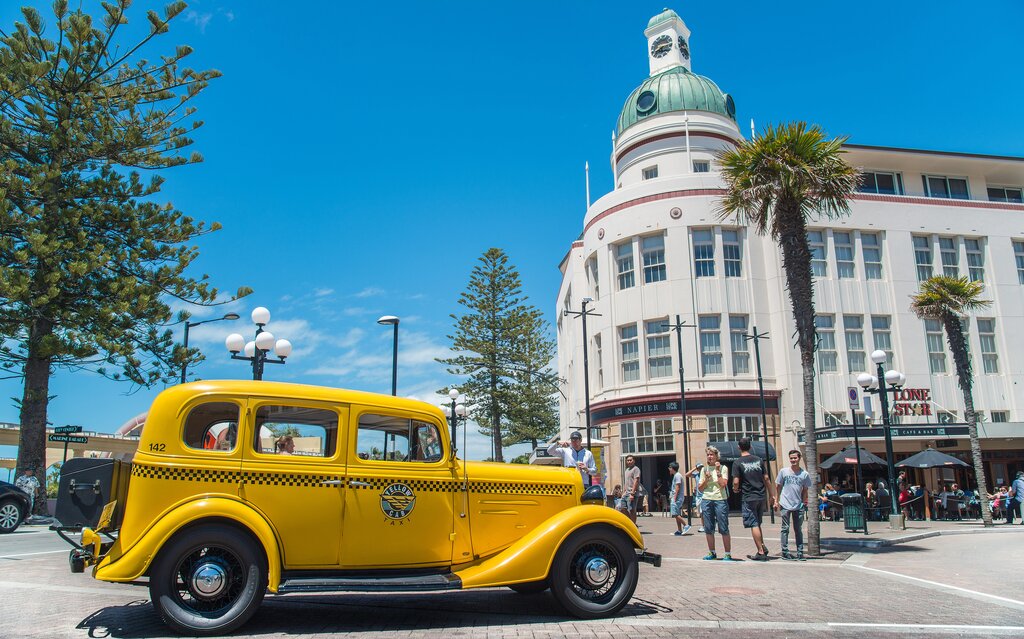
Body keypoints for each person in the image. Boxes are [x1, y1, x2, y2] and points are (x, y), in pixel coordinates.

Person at [732, 436, 777, 561]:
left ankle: (761, 551)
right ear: (750, 447)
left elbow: (736, 481)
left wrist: (735, 489)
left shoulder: (737, 462)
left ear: (738, 447)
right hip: (761, 495)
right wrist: (772, 495)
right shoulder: (759, 460)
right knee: (757, 522)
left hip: (748, 496)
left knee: (753, 523)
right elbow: (767, 478)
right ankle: (762, 546)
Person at [698, 446, 733, 561]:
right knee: (708, 528)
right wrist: (707, 479)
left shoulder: (723, 468)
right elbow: (700, 489)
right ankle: (712, 552)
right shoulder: (704, 470)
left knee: (723, 527)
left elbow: (723, 484)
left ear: (716, 456)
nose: (709, 456)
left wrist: (717, 472)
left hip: (720, 499)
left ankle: (727, 553)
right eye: (708, 454)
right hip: (706, 499)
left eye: (712, 454)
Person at [775, 449, 811, 561]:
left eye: (795, 458)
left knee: (798, 529)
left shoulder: (804, 474)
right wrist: (777, 500)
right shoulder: (783, 471)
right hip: (785, 504)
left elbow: (805, 490)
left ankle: (800, 552)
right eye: (791, 458)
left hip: (798, 505)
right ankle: (785, 552)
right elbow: (778, 486)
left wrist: (804, 502)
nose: (793, 460)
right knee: (785, 528)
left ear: (799, 458)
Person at [668, 462, 689, 535]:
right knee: (676, 514)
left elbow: (677, 487)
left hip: (677, 498)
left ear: (672, 468)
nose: (669, 469)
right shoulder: (676, 476)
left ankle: (686, 525)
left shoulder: (677, 476)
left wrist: (674, 497)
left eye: (670, 467)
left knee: (675, 514)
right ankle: (679, 530)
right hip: (676, 497)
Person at [623, 454, 641, 524]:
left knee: (632, 510)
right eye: (628, 460)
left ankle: (633, 525)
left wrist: (632, 493)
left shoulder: (636, 469)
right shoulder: (627, 470)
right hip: (626, 493)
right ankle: (629, 522)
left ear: (634, 461)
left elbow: (636, 481)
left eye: (631, 460)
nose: (629, 462)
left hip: (632, 493)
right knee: (621, 508)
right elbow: (626, 482)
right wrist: (623, 492)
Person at [689, 463, 704, 532]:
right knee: (701, 513)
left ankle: (704, 526)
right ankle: (704, 526)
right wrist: (694, 468)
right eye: (699, 468)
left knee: (703, 512)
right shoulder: (696, 475)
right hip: (698, 496)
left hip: (704, 496)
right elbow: (687, 474)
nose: (701, 469)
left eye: (702, 467)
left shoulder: (705, 475)